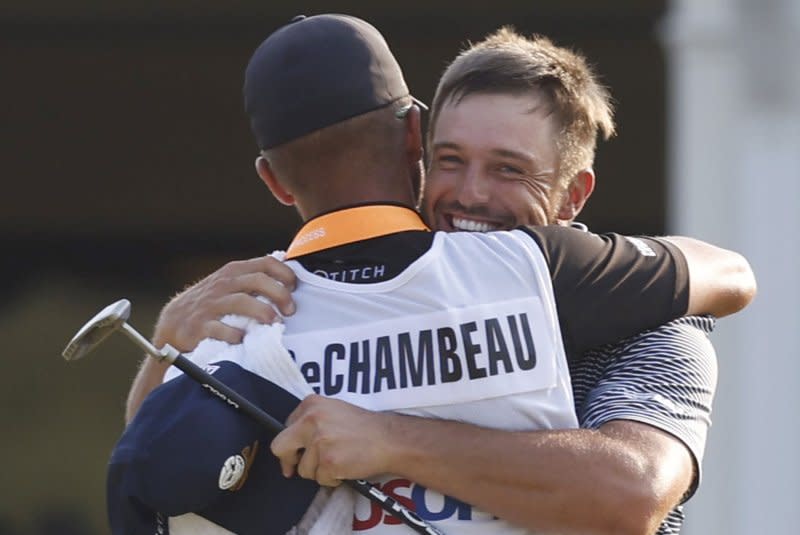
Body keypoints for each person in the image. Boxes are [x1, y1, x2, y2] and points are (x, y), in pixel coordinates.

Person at [122, 15, 756, 535]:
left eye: (509, 170)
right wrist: (171, 345)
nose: (470, 196)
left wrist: (391, 440)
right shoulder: (315, 291)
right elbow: (161, 464)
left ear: (573, 196)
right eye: (449, 161)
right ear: (415, 147)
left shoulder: (649, 325)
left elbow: (631, 496)